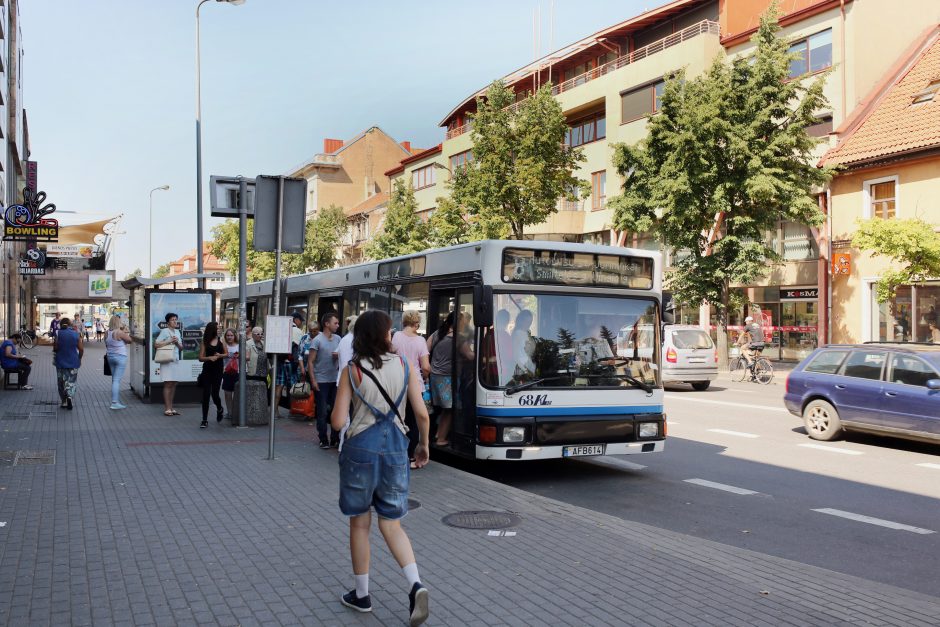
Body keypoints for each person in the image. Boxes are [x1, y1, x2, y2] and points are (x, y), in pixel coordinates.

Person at [330, 310, 430, 625]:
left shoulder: (352, 370)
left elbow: (336, 421)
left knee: (360, 524)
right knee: (392, 524)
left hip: (360, 450)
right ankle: (415, 584)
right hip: (397, 452)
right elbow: (422, 414)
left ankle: (362, 595)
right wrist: (423, 445)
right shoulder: (403, 366)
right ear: (385, 335)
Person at [392, 311, 431, 468]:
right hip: (416, 384)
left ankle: (398, 452)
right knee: (414, 421)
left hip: (396, 382)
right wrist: (425, 376)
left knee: (399, 419)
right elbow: (426, 366)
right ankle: (410, 456)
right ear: (417, 323)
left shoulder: (396, 337)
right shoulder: (420, 340)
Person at [310, 312, 342, 448]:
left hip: (335, 380)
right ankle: (323, 438)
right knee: (322, 411)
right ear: (327, 324)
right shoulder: (317, 340)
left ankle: (335, 437)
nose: (338, 325)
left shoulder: (339, 339)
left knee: (336, 409)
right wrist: (313, 380)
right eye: (335, 323)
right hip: (321, 380)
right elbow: (310, 361)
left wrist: (338, 356)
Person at [427, 312, 456, 447]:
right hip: (447, 378)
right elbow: (469, 355)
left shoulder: (438, 333)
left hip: (434, 375)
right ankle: (441, 438)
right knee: (448, 409)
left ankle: (436, 434)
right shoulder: (455, 338)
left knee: (436, 408)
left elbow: (425, 350)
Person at [274, 312, 306, 418]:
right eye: (301, 321)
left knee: (279, 386)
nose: (301, 323)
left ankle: (275, 412)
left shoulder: (280, 329)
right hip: (291, 363)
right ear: (296, 320)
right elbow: (299, 348)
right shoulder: (297, 331)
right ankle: (293, 411)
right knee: (292, 387)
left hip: (279, 361)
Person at [154, 312, 184, 416]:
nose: (175, 321)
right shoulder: (164, 331)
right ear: (168, 322)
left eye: (176, 319)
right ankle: (167, 408)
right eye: (172, 319)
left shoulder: (177, 331)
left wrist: (176, 343)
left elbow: (181, 348)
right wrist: (169, 340)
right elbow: (156, 344)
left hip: (175, 359)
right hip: (167, 360)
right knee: (168, 383)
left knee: (174, 383)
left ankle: (171, 407)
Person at [53, 319, 83, 408]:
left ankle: (63, 401)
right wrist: (79, 358)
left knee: (61, 381)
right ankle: (69, 396)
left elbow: (55, 348)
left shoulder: (58, 333)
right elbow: (81, 349)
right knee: (71, 381)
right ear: (70, 325)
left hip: (60, 361)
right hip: (73, 361)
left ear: (61, 324)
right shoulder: (75, 333)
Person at [244, 326, 270, 426]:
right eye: (258, 334)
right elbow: (246, 357)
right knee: (252, 393)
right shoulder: (248, 343)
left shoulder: (264, 343)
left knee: (264, 392)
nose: (260, 335)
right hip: (253, 371)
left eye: (261, 334)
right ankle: (252, 413)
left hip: (263, 371)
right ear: (253, 334)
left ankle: (262, 412)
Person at [105, 315, 132, 409]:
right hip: (120, 357)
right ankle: (114, 402)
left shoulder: (107, 332)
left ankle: (115, 400)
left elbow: (107, 344)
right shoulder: (119, 332)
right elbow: (130, 340)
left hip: (110, 357)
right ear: (118, 322)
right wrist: (125, 332)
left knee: (114, 379)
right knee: (117, 380)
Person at [221, 328, 240, 421]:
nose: (229, 337)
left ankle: (236, 412)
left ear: (235, 336)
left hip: (238, 372)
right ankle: (229, 412)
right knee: (227, 393)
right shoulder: (223, 346)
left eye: (231, 335)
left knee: (237, 393)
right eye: (228, 335)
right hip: (227, 372)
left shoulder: (240, 346)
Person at [335, 315, 358, 384]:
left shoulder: (355, 339)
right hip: (347, 382)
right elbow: (346, 365)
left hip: (352, 382)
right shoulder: (347, 340)